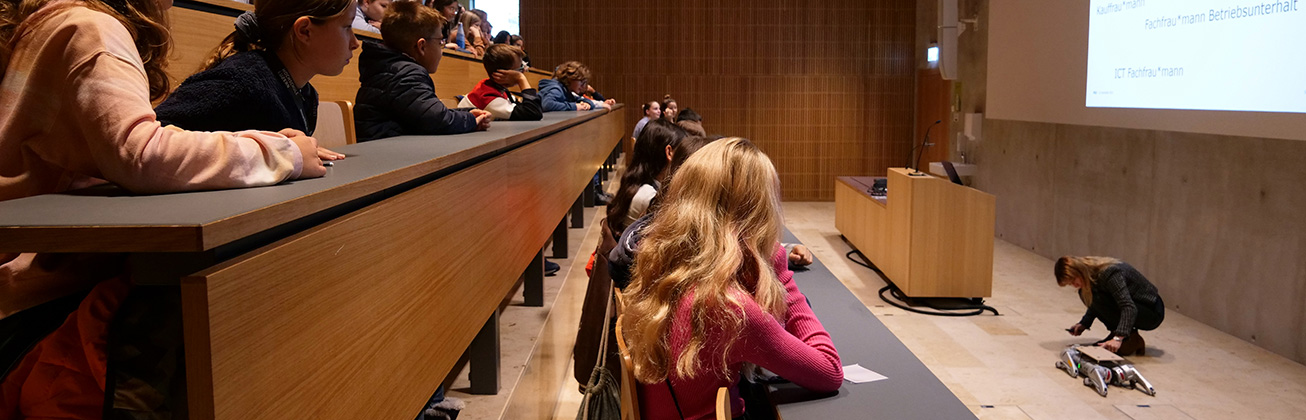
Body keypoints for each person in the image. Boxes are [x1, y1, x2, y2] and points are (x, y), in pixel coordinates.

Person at [0, 0, 328, 417]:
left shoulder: (54, 22)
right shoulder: (90, 29)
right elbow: (141, 153)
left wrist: (261, 141)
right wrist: (282, 153)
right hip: (43, 299)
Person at [621, 138, 843, 419]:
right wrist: (781, 276)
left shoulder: (664, 270)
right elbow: (829, 370)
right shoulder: (730, 310)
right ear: (755, 215)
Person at [155, 0, 360, 143]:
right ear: (305, 31)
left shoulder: (305, 94)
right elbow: (155, 137)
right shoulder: (242, 80)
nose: (355, 43)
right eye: (347, 27)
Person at [353, 1, 492, 141]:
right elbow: (438, 120)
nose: (442, 49)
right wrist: (471, 120)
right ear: (422, 46)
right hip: (386, 155)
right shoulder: (405, 75)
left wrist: (467, 113)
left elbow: (424, 114)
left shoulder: (390, 68)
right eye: (440, 42)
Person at [1057, 256, 1165, 356]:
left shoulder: (1109, 273)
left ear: (1080, 271)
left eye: (1073, 281)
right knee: (1086, 293)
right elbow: (1096, 303)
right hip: (1137, 306)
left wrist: (1118, 338)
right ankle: (1123, 335)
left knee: (1096, 296)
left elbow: (1128, 306)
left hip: (1152, 311)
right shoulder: (1091, 276)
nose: (1074, 285)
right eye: (1070, 284)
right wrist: (1084, 323)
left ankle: (1129, 339)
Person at [457, 44, 542, 121]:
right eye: (519, 70)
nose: (523, 72)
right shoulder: (487, 97)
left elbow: (533, 108)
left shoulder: (497, 89)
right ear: (502, 73)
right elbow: (533, 113)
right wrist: (521, 79)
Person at [538, 61, 612, 111]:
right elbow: (547, 105)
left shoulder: (568, 91)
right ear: (570, 79)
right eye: (581, 82)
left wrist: (587, 104)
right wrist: (576, 106)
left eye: (585, 83)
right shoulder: (556, 89)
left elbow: (579, 99)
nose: (583, 86)